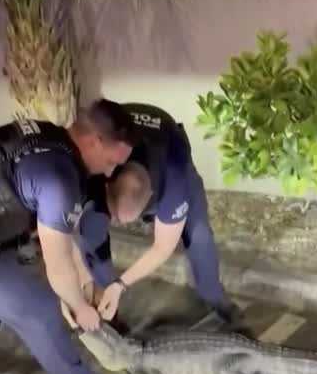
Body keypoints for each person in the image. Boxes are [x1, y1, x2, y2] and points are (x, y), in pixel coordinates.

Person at [0, 99, 142, 374]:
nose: (110, 174)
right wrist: (80, 309)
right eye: (111, 162)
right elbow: (57, 263)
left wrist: (85, 286)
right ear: (95, 142)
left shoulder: (50, 137)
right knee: (39, 310)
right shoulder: (59, 178)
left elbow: (63, 237)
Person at [74, 102, 251, 335]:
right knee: (92, 230)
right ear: (109, 181)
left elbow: (162, 248)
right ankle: (107, 310)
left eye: (123, 219)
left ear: (150, 199)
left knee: (200, 238)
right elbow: (69, 232)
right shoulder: (100, 164)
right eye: (115, 217)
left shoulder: (174, 183)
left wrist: (122, 284)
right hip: (126, 151)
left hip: (171, 151)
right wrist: (84, 284)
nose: (116, 223)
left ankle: (221, 305)